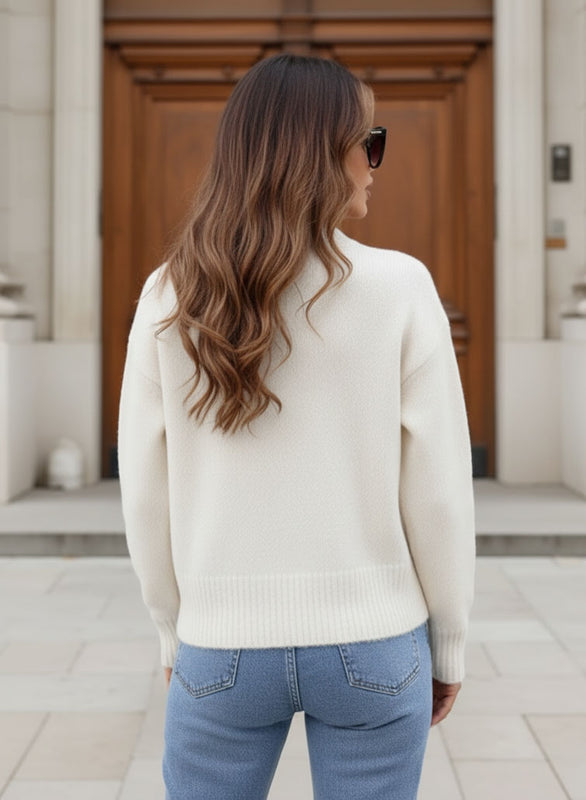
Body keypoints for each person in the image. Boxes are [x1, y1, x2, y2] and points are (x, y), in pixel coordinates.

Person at [117, 53, 476, 800]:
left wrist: (170, 627)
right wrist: (448, 641)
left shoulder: (170, 294)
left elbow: (144, 491)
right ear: (321, 153)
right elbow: (439, 491)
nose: (375, 163)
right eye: (367, 142)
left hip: (222, 642)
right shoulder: (402, 288)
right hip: (375, 641)